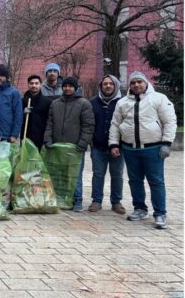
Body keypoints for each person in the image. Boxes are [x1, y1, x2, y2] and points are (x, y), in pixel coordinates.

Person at [109, 71, 177, 229]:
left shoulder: (159, 99)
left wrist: (166, 143)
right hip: (130, 148)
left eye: (139, 82)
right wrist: (114, 144)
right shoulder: (122, 102)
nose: (136, 85)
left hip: (153, 148)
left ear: (146, 83)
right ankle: (140, 208)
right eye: (133, 82)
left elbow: (170, 121)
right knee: (134, 180)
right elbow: (115, 124)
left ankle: (160, 213)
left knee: (156, 181)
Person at [43, 76, 94, 212]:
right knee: (58, 174)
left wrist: (82, 143)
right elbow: (50, 123)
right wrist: (48, 139)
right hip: (57, 147)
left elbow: (88, 126)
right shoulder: (55, 104)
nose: (67, 88)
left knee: (75, 175)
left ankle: (77, 200)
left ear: (75, 88)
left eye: (70, 86)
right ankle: (59, 199)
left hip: (75, 148)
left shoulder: (84, 104)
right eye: (65, 86)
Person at [89, 75, 125, 214]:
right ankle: (96, 201)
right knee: (98, 174)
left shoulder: (123, 102)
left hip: (118, 147)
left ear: (115, 86)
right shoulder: (93, 102)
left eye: (111, 84)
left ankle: (116, 202)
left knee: (117, 175)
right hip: (98, 146)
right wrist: (91, 139)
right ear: (101, 86)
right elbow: (89, 122)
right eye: (105, 84)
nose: (108, 86)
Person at [21, 75, 53, 150]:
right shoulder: (22, 101)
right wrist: (23, 112)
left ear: (40, 85)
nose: (34, 85)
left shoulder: (47, 102)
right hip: (26, 135)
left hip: (41, 136)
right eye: (31, 83)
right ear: (28, 85)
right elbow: (18, 118)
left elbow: (50, 120)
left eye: (36, 83)